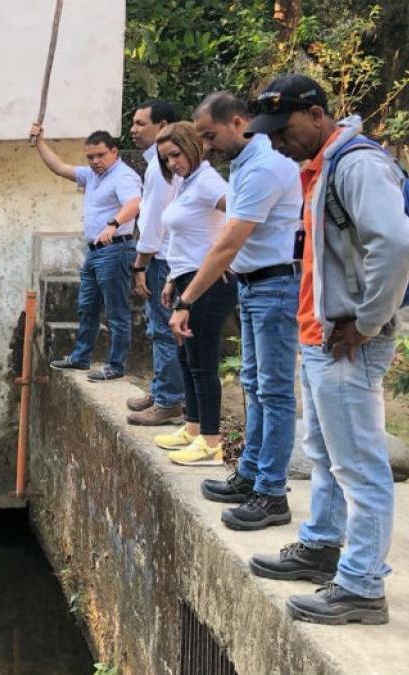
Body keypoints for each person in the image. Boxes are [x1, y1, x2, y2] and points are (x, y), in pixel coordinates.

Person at [244, 74, 409, 626]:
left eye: (283, 128)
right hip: (322, 337)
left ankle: (361, 586)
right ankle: (322, 544)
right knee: (326, 454)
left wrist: (367, 322)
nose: (276, 142)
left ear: (317, 115)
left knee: (359, 466)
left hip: (347, 343)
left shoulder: (358, 165)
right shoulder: (321, 167)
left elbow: (396, 244)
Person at [174, 92, 302, 531]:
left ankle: (271, 493)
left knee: (275, 391)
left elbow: (229, 242)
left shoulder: (265, 167)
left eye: (210, 135)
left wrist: (186, 298)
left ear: (239, 122)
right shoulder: (245, 164)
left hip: (274, 286)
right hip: (253, 287)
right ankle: (250, 474)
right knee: (254, 383)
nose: (205, 146)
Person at [144, 122, 235, 466]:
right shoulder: (187, 183)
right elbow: (183, 235)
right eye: (166, 159)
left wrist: (230, 255)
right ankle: (194, 427)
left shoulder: (210, 181)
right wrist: (170, 279)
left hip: (208, 281)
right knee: (186, 357)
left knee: (202, 362)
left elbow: (241, 216)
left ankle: (211, 441)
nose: (172, 164)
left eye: (176, 155)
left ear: (193, 147)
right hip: (184, 277)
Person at [31, 124, 142, 381]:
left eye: (100, 155)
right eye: (90, 157)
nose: (95, 161)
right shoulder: (93, 175)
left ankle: (115, 365)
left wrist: (113, 225)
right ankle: (81, 357)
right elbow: (59, 167)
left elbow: (134, 203)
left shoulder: (124, 176)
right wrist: (39, 142)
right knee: (86, 307)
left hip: (115, 250)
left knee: (116, 311)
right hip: (93, 251)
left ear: (114, 151)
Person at [126, 100, 185, 425]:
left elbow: (152, 221)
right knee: (159, 328)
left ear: (162, 125)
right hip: (164, 256)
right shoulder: (158, 165)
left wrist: (139, 265)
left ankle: (168, 401)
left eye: (140, 123)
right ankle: (163, 389)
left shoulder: (160, 168)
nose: (133, 130)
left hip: (161, 258)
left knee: (164, 330)